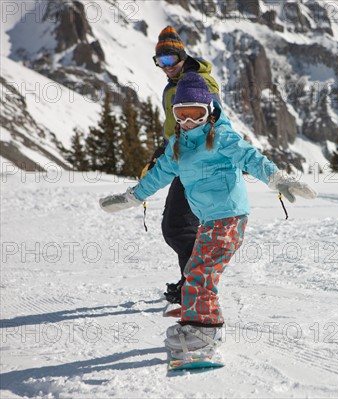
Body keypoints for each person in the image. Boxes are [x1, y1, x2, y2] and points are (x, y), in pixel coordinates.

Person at [99, 73, 317, 359]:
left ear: (209, 112)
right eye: (182, 114)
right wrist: (131, 197)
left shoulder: (222, 136)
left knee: (200, 273)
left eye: (196, 114)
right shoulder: (177, 145)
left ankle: (206, 329)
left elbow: (251, 158)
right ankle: (197, 324)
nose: (188, 121)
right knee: (195, 271)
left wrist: (278, 179)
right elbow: (157, 176)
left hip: (228, 216)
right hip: (210, 220)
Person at [145, 26, 222, 304]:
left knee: (177, 226)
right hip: (181, 156)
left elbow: (215, 117)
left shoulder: (197, 82)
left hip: (198, 162)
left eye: (169, 60)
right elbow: (175, 126)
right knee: (183, 226)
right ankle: (191, 281)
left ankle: (196, 285)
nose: (164, 67)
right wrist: (163, 151)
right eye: (159, 61)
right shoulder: (175, 83)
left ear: (181, 55)